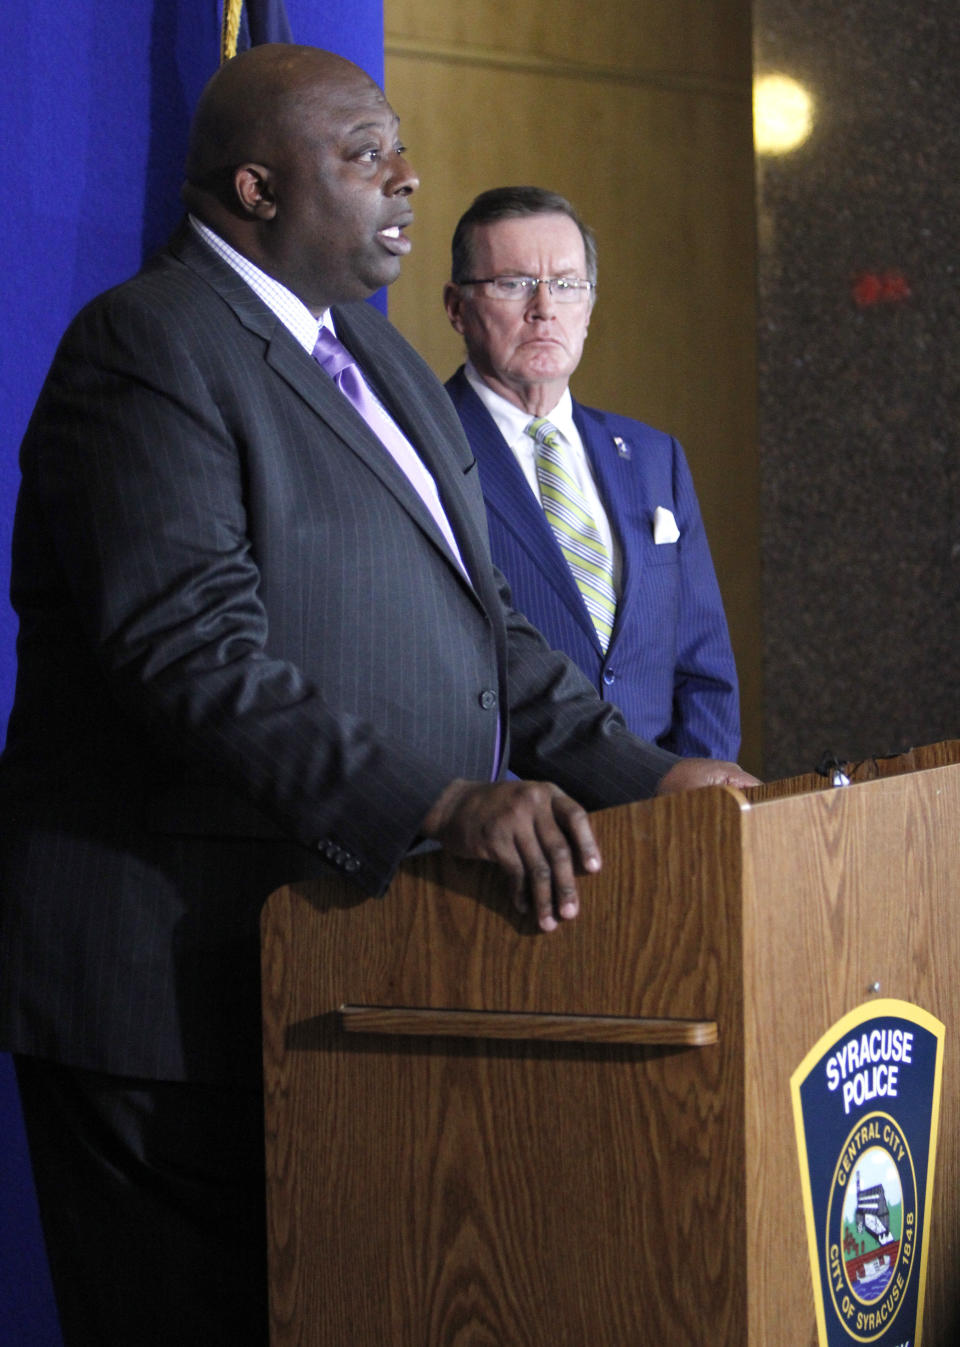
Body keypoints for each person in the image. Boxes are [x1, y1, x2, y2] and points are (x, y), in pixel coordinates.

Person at [0, 46, 756, 1346]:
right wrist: (443, 799)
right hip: (170, 986)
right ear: (254, 186)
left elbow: (497, 636)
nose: (406, 175)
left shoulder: (381, 360)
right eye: (362, 152)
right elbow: (188, 651)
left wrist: (655, 780)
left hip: (343, 967)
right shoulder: (147, 344)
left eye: (399, 145)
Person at [444, 186, 740, 759]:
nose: (545, 309)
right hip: (516, 820)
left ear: (590, 305)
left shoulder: (656, 457)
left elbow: (704, 665)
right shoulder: (418, 448)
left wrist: (695, 807)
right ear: (457, 307)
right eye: (514, 283)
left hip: (667, 814)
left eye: (567, 285)